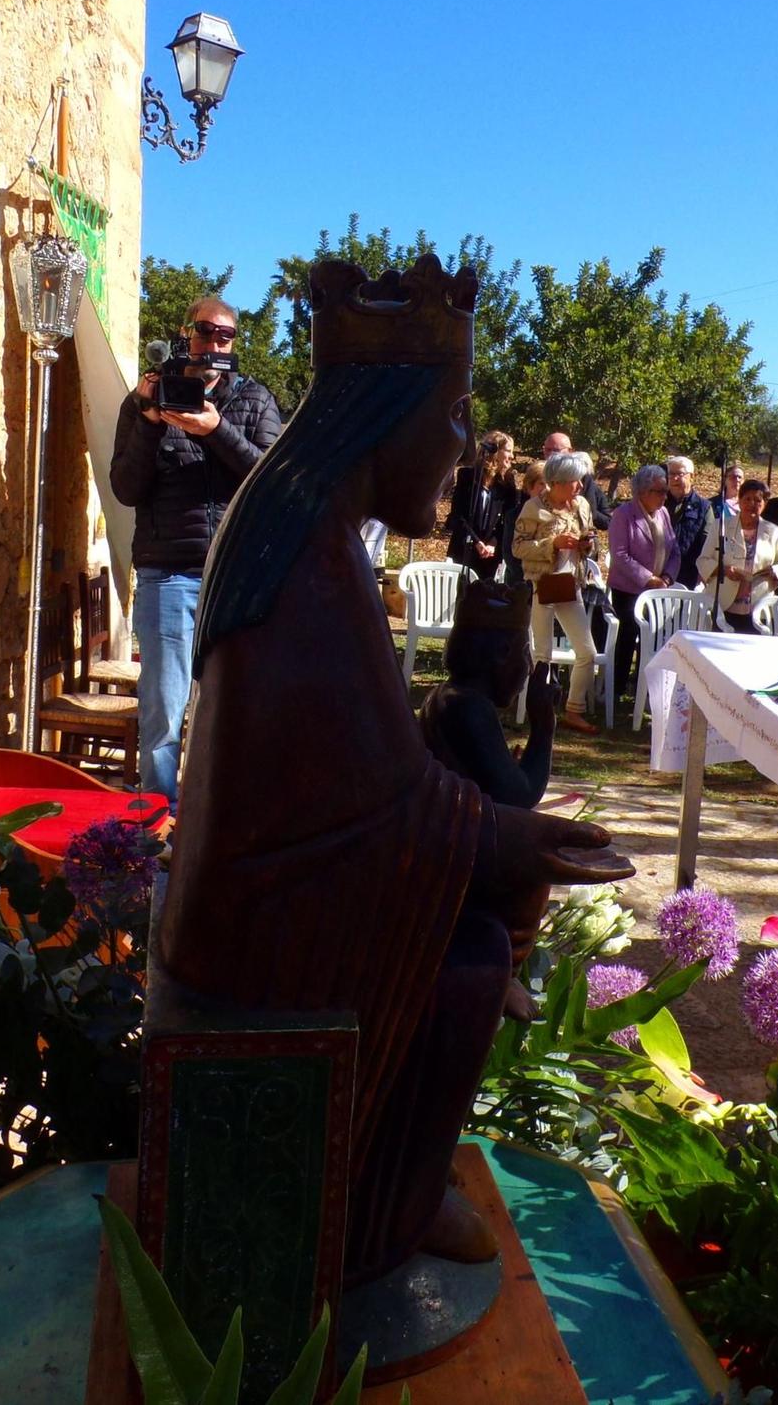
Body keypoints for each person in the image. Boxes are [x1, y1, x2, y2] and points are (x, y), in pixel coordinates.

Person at [161, 256, 629, 1284]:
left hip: (256, 885)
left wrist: (497, 831)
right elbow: (370, 801)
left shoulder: (301, 524)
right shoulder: (310, 555)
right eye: (455, 417)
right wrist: (499, 835)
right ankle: (372, 1219)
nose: (462, 448)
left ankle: (392, 1190)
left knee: (479, 923)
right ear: (388, 411)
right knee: (469, 968)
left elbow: (355, 768)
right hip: (255, 919)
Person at [109, 294, 281, 800]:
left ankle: (218, 814)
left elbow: (270, 480)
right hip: (168, 575)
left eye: (225, 335)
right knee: (164, 705)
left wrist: (216, 430)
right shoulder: (145, 400)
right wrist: (149, 422)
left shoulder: (255, 400)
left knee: (232, 704)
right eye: (205, 331)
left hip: (236, 577)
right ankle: (159, 815)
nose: (214, 343)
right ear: (186, 334)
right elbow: (125, 489)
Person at [420, 581, 554, 811]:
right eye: (525, 653)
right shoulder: (470, 708)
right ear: (502, 654)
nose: (529, 667)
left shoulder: (441, 695)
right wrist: (543, 727)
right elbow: (519, 798)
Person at [514, 451, 601, 734]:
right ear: (559, 482)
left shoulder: (582, 505)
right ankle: (539, 710)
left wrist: (586, 544)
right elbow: (517, 547)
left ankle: (574, 710)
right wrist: (552, 543)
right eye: (575, 481)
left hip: (570, 585)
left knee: (587, 652)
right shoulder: (533, 508)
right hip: (542, 585)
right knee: (543, 653)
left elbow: (591, 538)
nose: (580, 486)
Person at [606, 464, 679, 700]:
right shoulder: (623, 515)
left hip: (658, 591)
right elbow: (620, 555)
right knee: (627, 637)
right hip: (628, 590)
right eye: (660, 491)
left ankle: (643, 689)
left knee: (653, 638)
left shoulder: (663, 513)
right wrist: (648, 579)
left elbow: (674, 550)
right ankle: (615, 689)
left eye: (666, 491)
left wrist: (666, 577)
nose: (665, 496)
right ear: (643, 492)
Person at [698, 477, 778, 633]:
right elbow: (703, 560)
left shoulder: (774, 531)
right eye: (747, 499)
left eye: (758, 500)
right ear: (739, 500)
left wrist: (775, 571)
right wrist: (723, 570)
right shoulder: (721, 526)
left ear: (764, 504)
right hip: (724, 605)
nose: (752, 504)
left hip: (757, 607)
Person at [445, 429, 516, 580]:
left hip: (490, 555)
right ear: (494, 451)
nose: (512, 456)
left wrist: (494, 543)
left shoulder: (507, 483)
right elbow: (458, 514)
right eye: (508, 451)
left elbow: (508, 519)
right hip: (465, 549)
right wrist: (476, 541)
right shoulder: (467, 476)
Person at [540, 430, 613, 526]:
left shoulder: (583, 477)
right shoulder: (535, 474)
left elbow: (599, 517)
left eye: (556, 451)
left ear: (570, 451)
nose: (551, 455)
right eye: (547, 450)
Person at [664, 456, 709, 590]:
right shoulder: (659, 503)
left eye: (680, 474)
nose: (674, 478)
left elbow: (708, 545)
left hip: (688, 577)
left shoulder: (703, 507)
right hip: (660, 575)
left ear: (692, 477)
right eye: (671, 474)